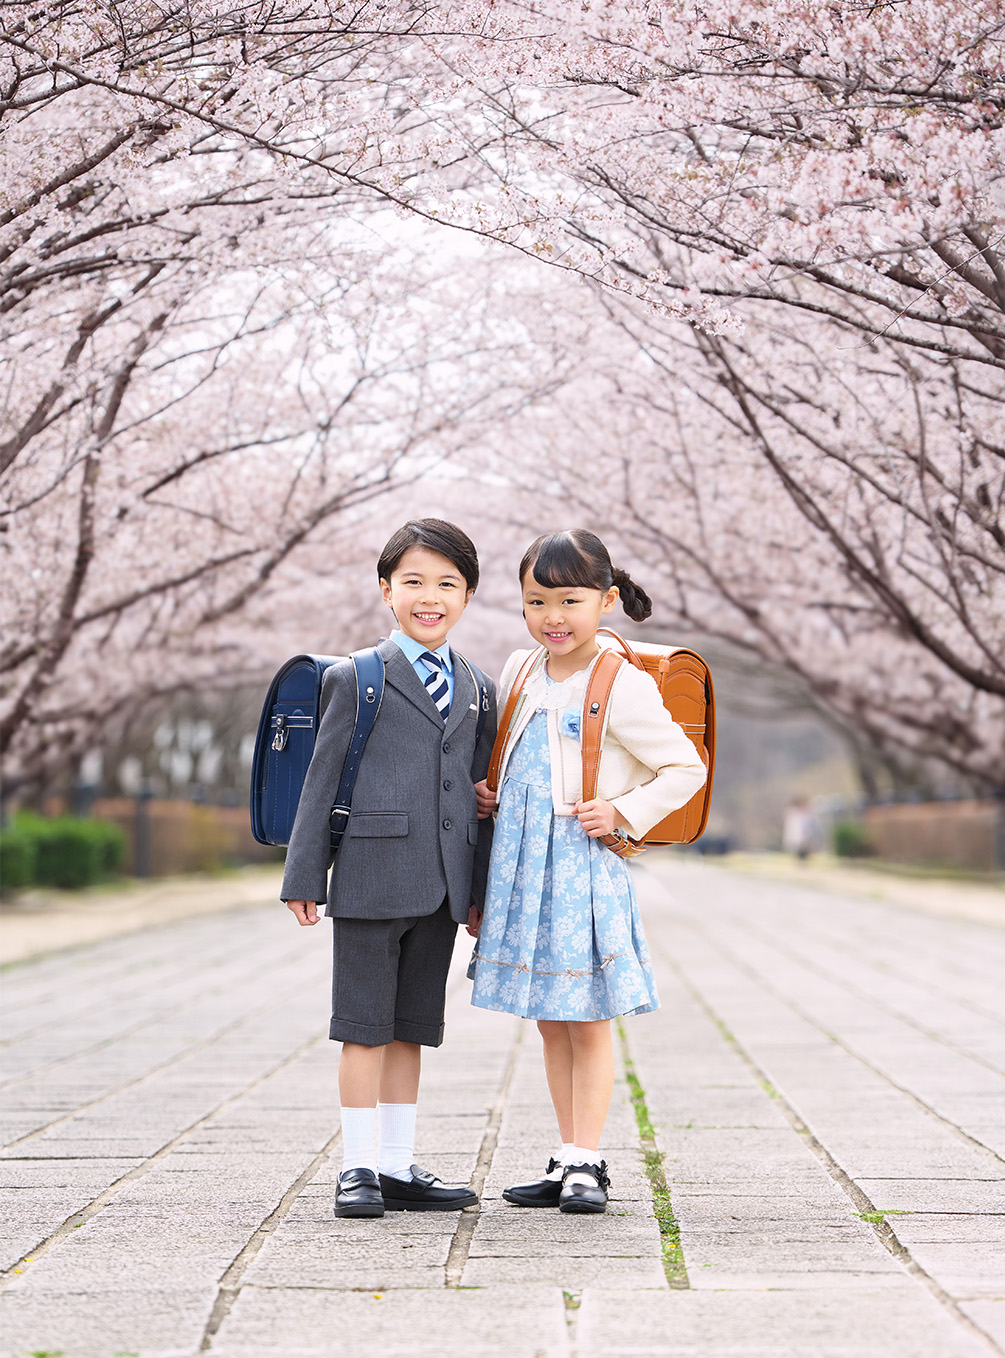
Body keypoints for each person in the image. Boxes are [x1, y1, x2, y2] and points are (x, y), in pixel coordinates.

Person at [467, 529, 707, 1214]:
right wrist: (494, 788)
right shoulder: (520, 671)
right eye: (536, 600)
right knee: (549, 1016)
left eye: (569, 600)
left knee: (588, 1017)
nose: (552, 616)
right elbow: (516, 752)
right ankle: (566, 1151)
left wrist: (623, 812)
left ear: (604, 600)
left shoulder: (618, 681)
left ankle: (587, 1160)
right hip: (523, 868)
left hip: (579, 868)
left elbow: (684, 767)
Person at [282, 519, 496, 1219]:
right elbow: (321, 780)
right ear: (385, 590)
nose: (428, 598)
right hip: (372, 875)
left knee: (412, 1027)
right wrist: (305, 876)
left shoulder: (478, 687)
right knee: (362, 1025)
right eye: (412, 583)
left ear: (467, 596)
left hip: (442, 883)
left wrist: (479, 888)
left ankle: (399, 1165)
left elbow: (475, 789)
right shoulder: (358, 677)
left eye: (446, 585)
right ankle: (357, 1169)